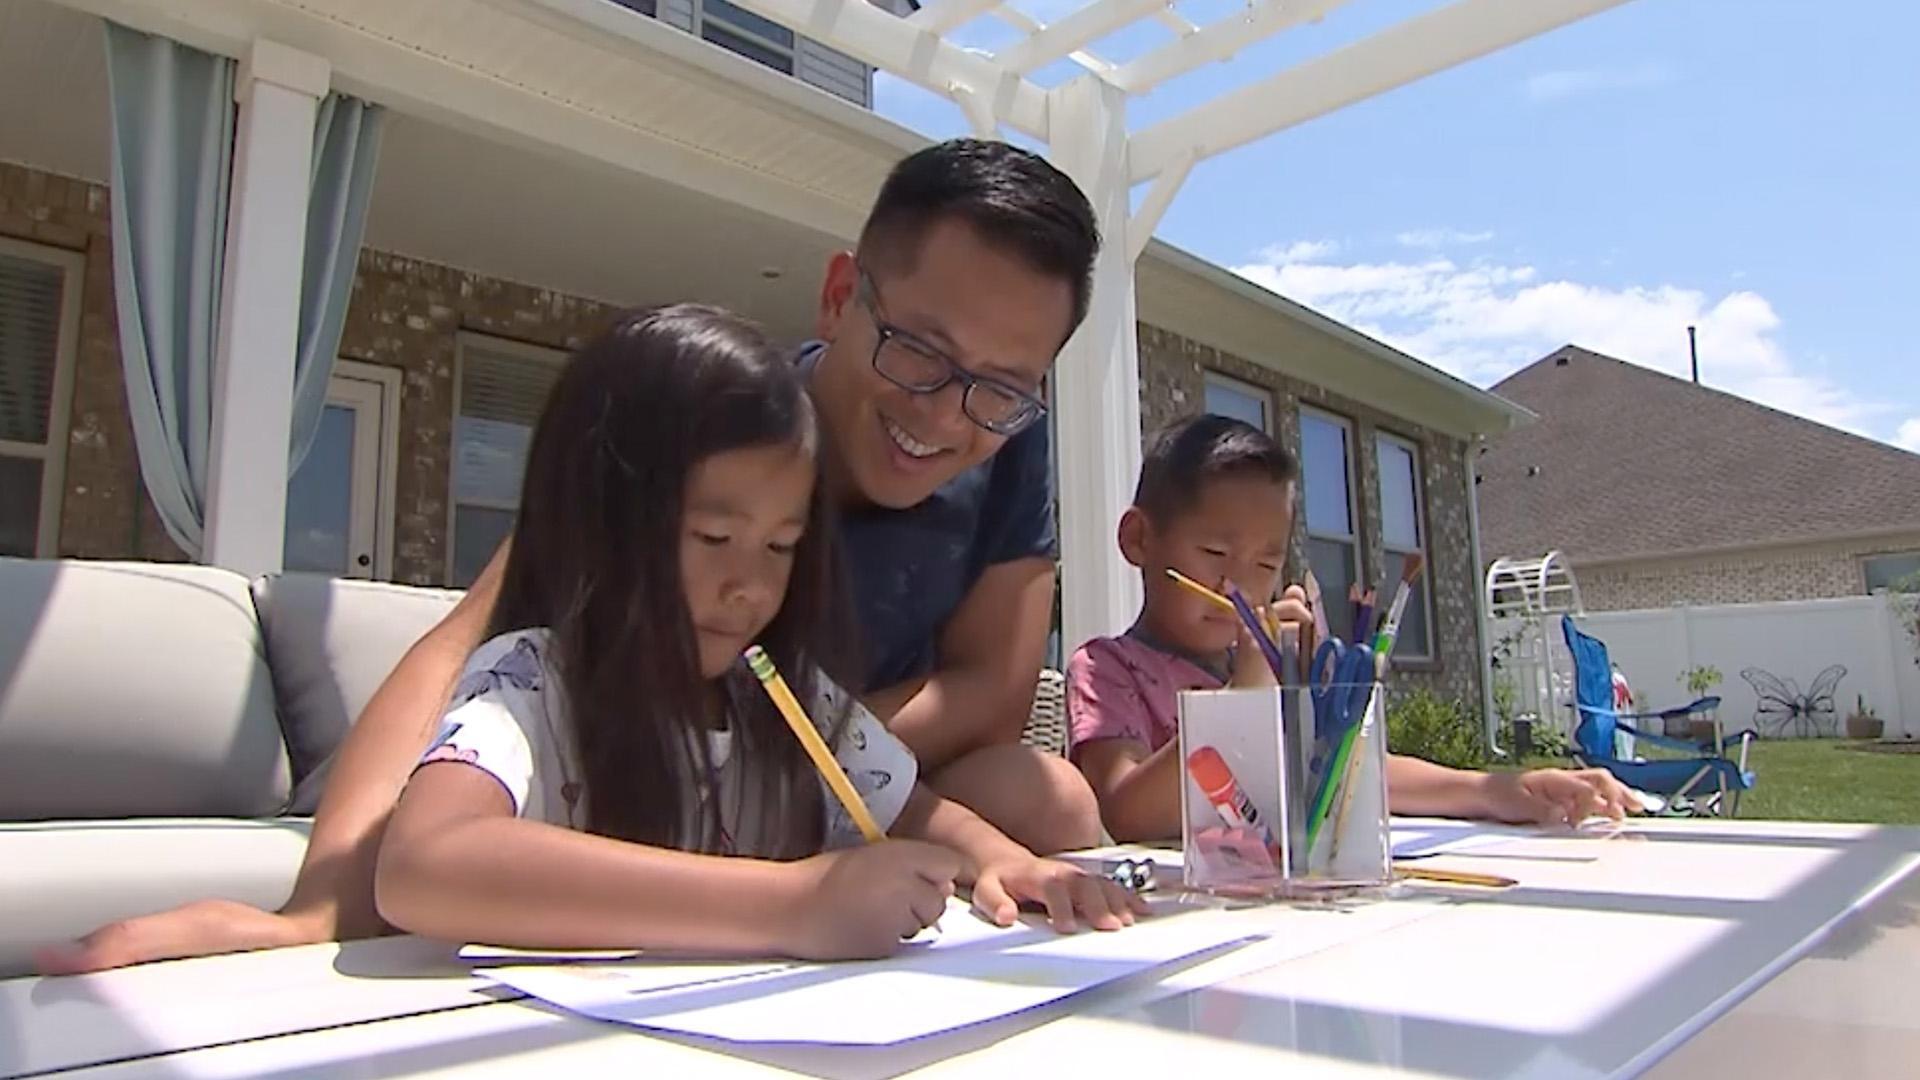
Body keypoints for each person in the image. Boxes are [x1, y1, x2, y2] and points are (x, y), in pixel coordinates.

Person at [40, 138, 1106, 973]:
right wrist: (324, 904)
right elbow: (466, 646)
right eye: (918, 351)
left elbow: (993, 692)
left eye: (1002, 389)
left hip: (806, 758)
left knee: (1047, 799)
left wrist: (784, 760)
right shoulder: (699, 423)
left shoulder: (1004, 453)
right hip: (645, 774)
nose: (945, 415)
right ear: (840, 295)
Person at [374, 306, 1136, 957]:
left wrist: (1000, 860)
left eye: (781, 546)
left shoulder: (788, 698)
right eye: (713, 538)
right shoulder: (533, 681)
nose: (751, 586)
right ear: (601, 518)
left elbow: (912, 810)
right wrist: (792, 903)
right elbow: (423, 863)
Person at [1068, 415, 1635, 843]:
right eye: (1215, 552)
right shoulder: (1107, 669)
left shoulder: (1284, 669)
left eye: (1265, 563)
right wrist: (1241, 698)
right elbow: (1125, 813)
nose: (1238, 585)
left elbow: (1351, 771)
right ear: (1140, 540)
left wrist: (1498, 790)